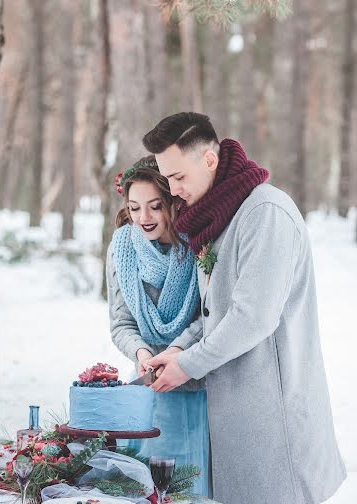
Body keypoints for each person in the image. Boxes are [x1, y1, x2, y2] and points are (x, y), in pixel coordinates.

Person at [143, 112, 347, 504]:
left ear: (209, 159)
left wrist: (188, 365)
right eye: (168, 178)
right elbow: (213, 312)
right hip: (237, 420)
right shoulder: (217, 215)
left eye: (179, 177)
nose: (173, 189)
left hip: (274, 421)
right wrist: (179, 349)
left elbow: (252, 318)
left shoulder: (264, 213)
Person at [107, 155, 210, 496]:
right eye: (135, 208)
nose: (144, 218)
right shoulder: (122, 248)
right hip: (146, 390)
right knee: (146, 486)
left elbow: (206, 315)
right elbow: (121, 322)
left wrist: (178, 352)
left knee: (190, 486)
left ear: (172, 203)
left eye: (154, 206)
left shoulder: (199, 244)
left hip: (196, 384)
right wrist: (141, 351)